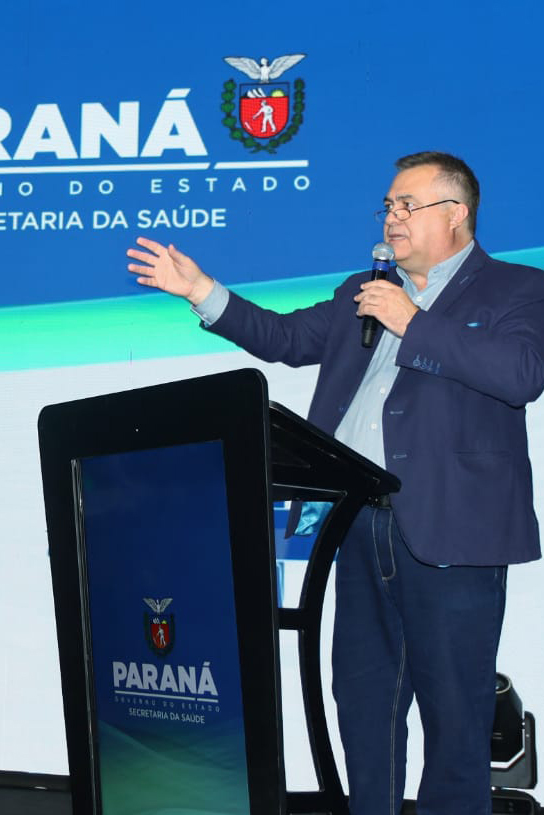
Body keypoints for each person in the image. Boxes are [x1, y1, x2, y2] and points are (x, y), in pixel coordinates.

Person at [126, 151, 544, 815]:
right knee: (364, 701)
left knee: (454, 716)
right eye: (388, 206)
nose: (392, 217)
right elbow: (286, 338)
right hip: (355, 522)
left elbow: (521, 374)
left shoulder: (517, 288)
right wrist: (203, 290)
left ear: (456, 214)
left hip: (451, 530)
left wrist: (413, 322)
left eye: (408, 205)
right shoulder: (365, 289)